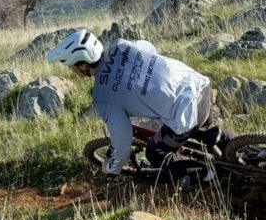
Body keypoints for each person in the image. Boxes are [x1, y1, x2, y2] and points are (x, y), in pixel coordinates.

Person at [46, 28, 227, 179]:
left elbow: (123, 142)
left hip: (186, 112)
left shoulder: (103, 97)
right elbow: (150, 48)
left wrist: (112, 168)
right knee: (207, 128)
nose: (71, 70)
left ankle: (209, 175)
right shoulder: (121, 45)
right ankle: (240, 151)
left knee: (155, 154)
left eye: (71, 66)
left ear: (82, 65)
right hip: (199, 85)